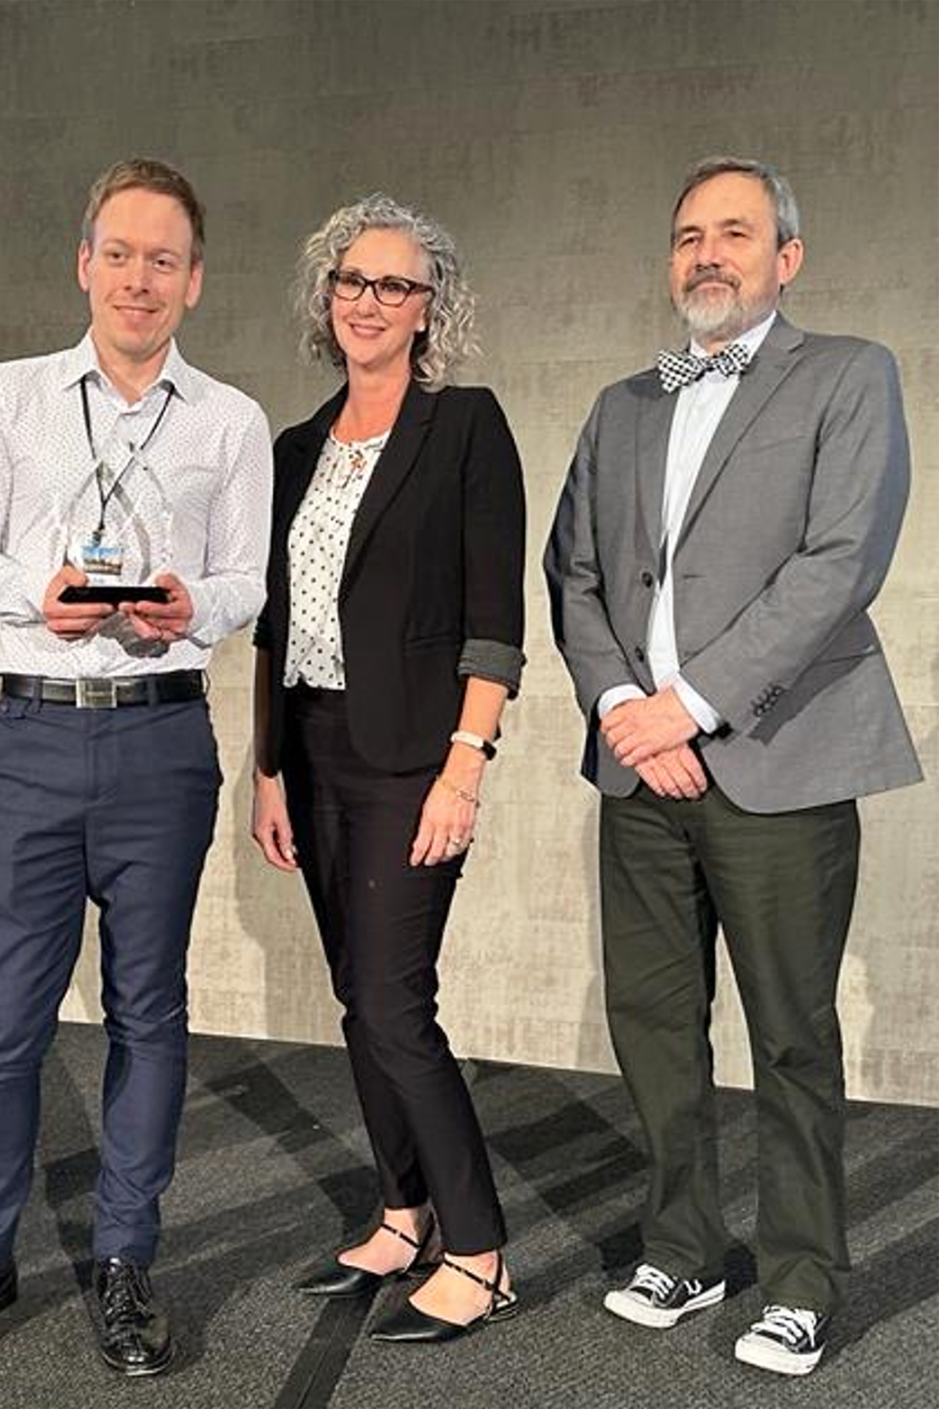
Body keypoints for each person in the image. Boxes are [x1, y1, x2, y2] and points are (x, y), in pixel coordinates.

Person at [0, 157, 271, 1377]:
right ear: (83, 262)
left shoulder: (232, 418)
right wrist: (34, 597)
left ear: (194, 280)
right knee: (2, 1017)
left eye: (164, 259)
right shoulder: (11, 395)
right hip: (37, 729)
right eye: (120, 253)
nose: (139, 278)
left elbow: (249, 583)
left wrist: (183, 606)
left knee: (149, 1013)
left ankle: (122, 1259)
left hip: (162, 737)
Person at [545, 155, 921, 1377]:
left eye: (736, 234)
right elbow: (576, 577)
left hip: (777, 763)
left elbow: (837, 564)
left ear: (787, 257)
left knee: (792, 1034)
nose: (707, 254)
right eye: (688, 235)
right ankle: (686, 1242)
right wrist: (620, 707)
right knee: (654, 1021)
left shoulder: (851, 375)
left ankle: (805, 1275)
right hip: (638, 775)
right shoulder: (621, 403)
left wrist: (687, 709)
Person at [252, 194, 526, 1343]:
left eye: (395, 285)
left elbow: (495, 620)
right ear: (328, 298)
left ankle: (481, 1247)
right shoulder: (295, 445)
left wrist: (466, 763)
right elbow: (271, 624)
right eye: (353, 281)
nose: (370, 301)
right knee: (358, 999)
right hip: (309, 749)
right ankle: (403, 1209)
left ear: (430, 307)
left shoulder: (463, 425)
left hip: (415, 755)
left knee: (398, 1002)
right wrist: (264, 767)